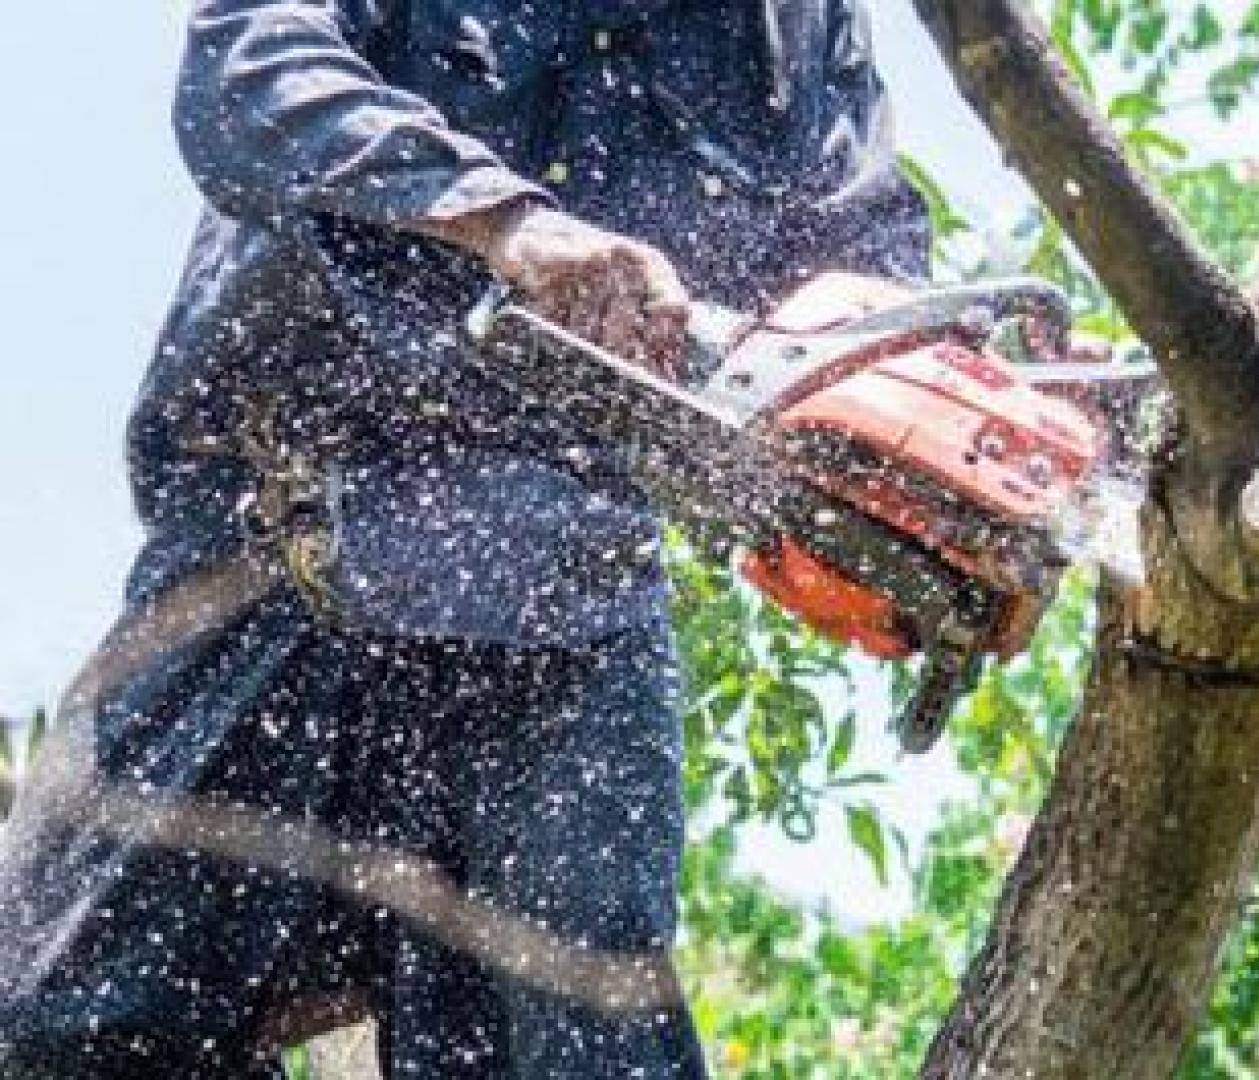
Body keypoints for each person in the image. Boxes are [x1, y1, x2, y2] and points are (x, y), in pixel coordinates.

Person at [0, 0, 929, 1076]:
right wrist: (501, 222)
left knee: (584, 1049)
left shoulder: (795, 27)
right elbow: (243, 74)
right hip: (282, 540)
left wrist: (923, 457)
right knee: (60, 1024)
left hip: (564, 599)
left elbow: (867, 282)